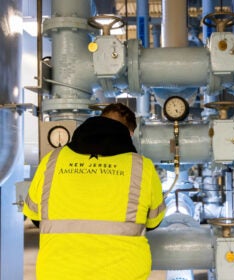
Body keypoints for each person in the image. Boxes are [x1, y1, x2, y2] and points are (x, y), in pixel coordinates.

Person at [23, 103, 166, 280]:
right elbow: (154, 222)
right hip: (124, 273)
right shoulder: (143, 167)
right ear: (129, 134)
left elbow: (35, 216)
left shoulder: (52, 160)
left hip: (58, 273)